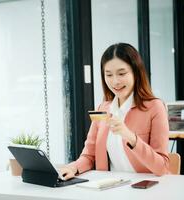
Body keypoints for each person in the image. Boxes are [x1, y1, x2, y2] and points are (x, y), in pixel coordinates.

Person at [60, 43, 170, 180]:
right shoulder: (103, 108)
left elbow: (162, 167)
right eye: (109, 75)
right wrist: (73, 168)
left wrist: (131, 137)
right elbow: (89, 155)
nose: (115, 81)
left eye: (122, 73)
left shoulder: (155, 107)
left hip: (145, 189)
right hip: (110, 188)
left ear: (136, 72)